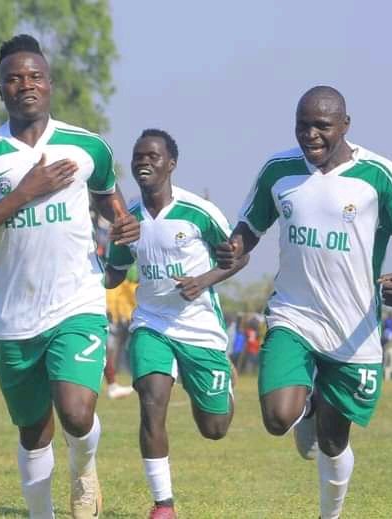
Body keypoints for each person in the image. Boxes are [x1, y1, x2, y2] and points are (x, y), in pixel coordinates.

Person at [0, 34, 139, 519]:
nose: (25, 85)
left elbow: (113, 208)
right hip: (11, 315)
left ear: (49, 85)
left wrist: (121, 244)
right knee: (33, 430)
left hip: (76, 302)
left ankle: (84, 467)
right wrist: (22, 194)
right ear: (0, 90)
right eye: (14, 78)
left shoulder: (87, 145)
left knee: (76, 412)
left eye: (34, 77)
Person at [217, 86, 392, 519]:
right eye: (303, 125)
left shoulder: (378, 176)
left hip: (353, 329)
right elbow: (248, 228)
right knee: (279, 417)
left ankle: (329, 513)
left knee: (334, 441)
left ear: (345, 125)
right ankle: (306, 407)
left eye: (322, 126)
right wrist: (233, 247)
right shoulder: (279, 171)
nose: (311, 135)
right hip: (293, 315)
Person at [105, 129, 247, 519]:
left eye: (152, 156)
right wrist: (107, 244)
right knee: (151, 404)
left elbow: (238, 256)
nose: (143, 162)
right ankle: (163, 504)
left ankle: (223, 382)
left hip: (199, 328)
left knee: (214, 428)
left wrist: (203, 281)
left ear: (171, 164)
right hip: (151, 323)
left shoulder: (200, 211)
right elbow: (113, 276)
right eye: (137, 156)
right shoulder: (128, 218)